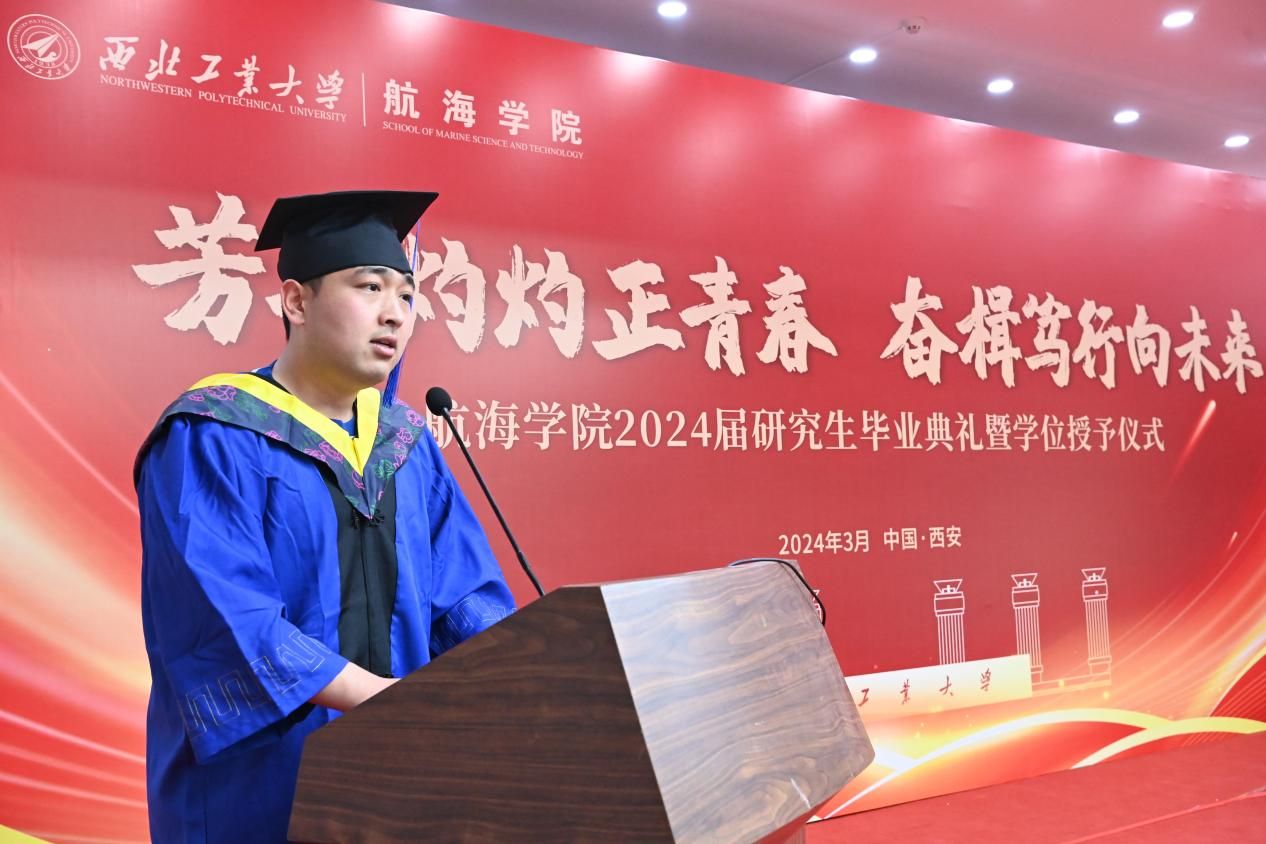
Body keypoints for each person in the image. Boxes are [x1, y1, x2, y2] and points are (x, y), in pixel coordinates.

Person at [135, 190, 516, 842]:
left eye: (406, 295)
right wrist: (389, 702)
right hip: (256, 793)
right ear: (296, 301)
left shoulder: (406, 446)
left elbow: (464, 601)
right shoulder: (213, 434)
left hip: (395, 783)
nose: (394, 313)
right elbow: (229, 622)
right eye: (370, 287)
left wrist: (528, 679)